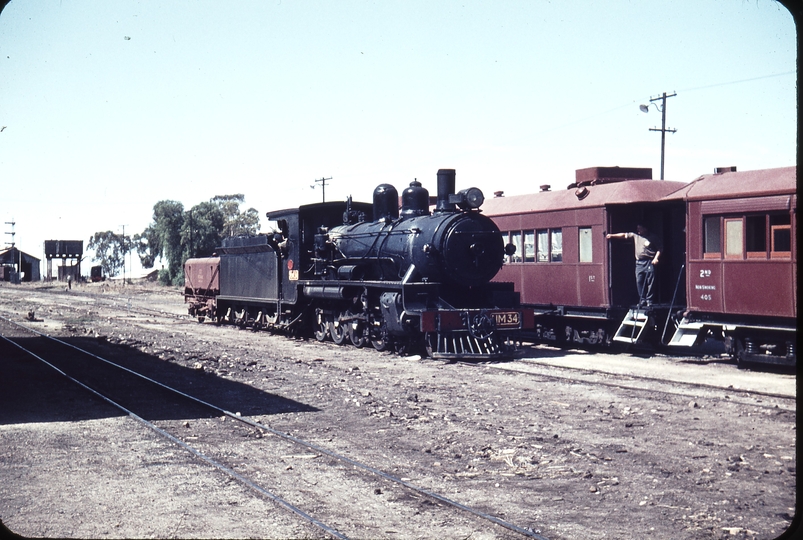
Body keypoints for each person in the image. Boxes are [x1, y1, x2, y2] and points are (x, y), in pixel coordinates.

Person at [607, 224, 661, 307]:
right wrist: (612, 235)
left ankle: (649, 300)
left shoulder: (653, 237)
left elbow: (660, 249)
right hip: (639, 263)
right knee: (639, 281)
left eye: (640, 229)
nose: (638, 230)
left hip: (649, 261)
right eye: (637, 229)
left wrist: (656, 258)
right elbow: (624, 235)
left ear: (645, 228)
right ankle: (642, 300)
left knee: (651, 281)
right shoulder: (635, 235)